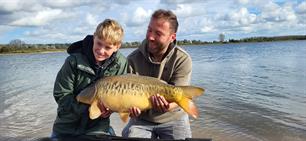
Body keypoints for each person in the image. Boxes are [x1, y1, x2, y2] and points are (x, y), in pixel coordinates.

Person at [122, 9, 193, 139]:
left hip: (173, 117)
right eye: (149, 30)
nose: (150, 36)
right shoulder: (132, 59)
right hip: (141, 119)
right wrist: (131, 110)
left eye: (158, 33)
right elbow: (128, 98)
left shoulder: (182, 59)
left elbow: (179, 97)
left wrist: (167, 106)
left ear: (172, 37)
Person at [51, 19, 128, 138]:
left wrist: (110, 110)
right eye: (99, 43)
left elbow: (121, 97)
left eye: (107, 47)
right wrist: (92, 107)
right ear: (94, 38)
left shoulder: (121, 64)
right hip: (66, 126)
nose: (101, 51)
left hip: (97, 127)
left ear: (117, 47)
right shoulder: (73, 61)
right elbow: (61, 95)